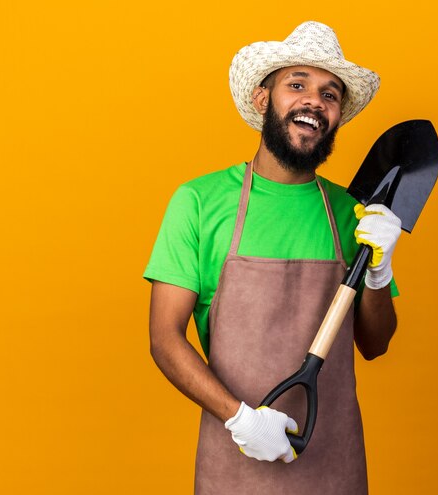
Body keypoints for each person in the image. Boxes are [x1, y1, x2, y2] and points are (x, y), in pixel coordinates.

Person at [144, 21, 403, 494]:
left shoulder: (352, 213)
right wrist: (240, 418)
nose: (313, 101)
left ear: (338, 115)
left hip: (334, 466)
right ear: (264, 99)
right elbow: (164, 338)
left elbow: (376, 343)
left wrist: (379, 273)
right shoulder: (200, 203)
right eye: (297, 85)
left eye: (329, 94)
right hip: (236, 457)